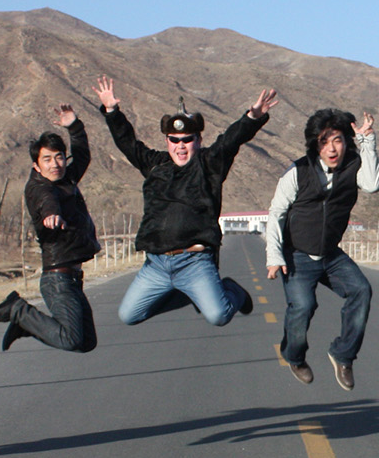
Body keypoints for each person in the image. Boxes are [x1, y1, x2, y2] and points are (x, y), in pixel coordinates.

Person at [100, 76, 274, 326]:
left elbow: (231, 141)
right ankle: (195, 294)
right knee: (129, 315)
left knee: (218, 315)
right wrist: (112, 111)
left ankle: (232, 291)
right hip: (157, 264)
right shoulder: (155, 165)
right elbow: (128, 144)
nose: (180, 146)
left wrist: (252, 117)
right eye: (174, 140)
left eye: (187, 140)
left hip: (195, 262)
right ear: (167, 141)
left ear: (198, 140)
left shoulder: (209, 164)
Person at [265, 108, 379, 390]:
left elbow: (372, 184)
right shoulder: (298, 171)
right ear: (314, 144)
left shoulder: (353, 165)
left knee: (361, 290)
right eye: (324, 141)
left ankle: (343, 355)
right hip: (297, 254)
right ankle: (294, 356)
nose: (332, 148)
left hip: (330, 254)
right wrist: (274, 255)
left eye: (338, 140)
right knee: (303, 306)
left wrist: (367, 142)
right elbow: (276, 212)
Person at [0, 96, 103, 353]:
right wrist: (51, 215)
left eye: (59, 157)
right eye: (47, 159)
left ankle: (26, 325)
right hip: (57, 278)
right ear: (36, 165)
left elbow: (82, 155)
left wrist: (74, 126)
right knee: (71, 339)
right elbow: (45, 201)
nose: (55, 164)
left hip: (72, 277)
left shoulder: (65, 180)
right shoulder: (39, 188)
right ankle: (18, 310)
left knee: (86, 342)